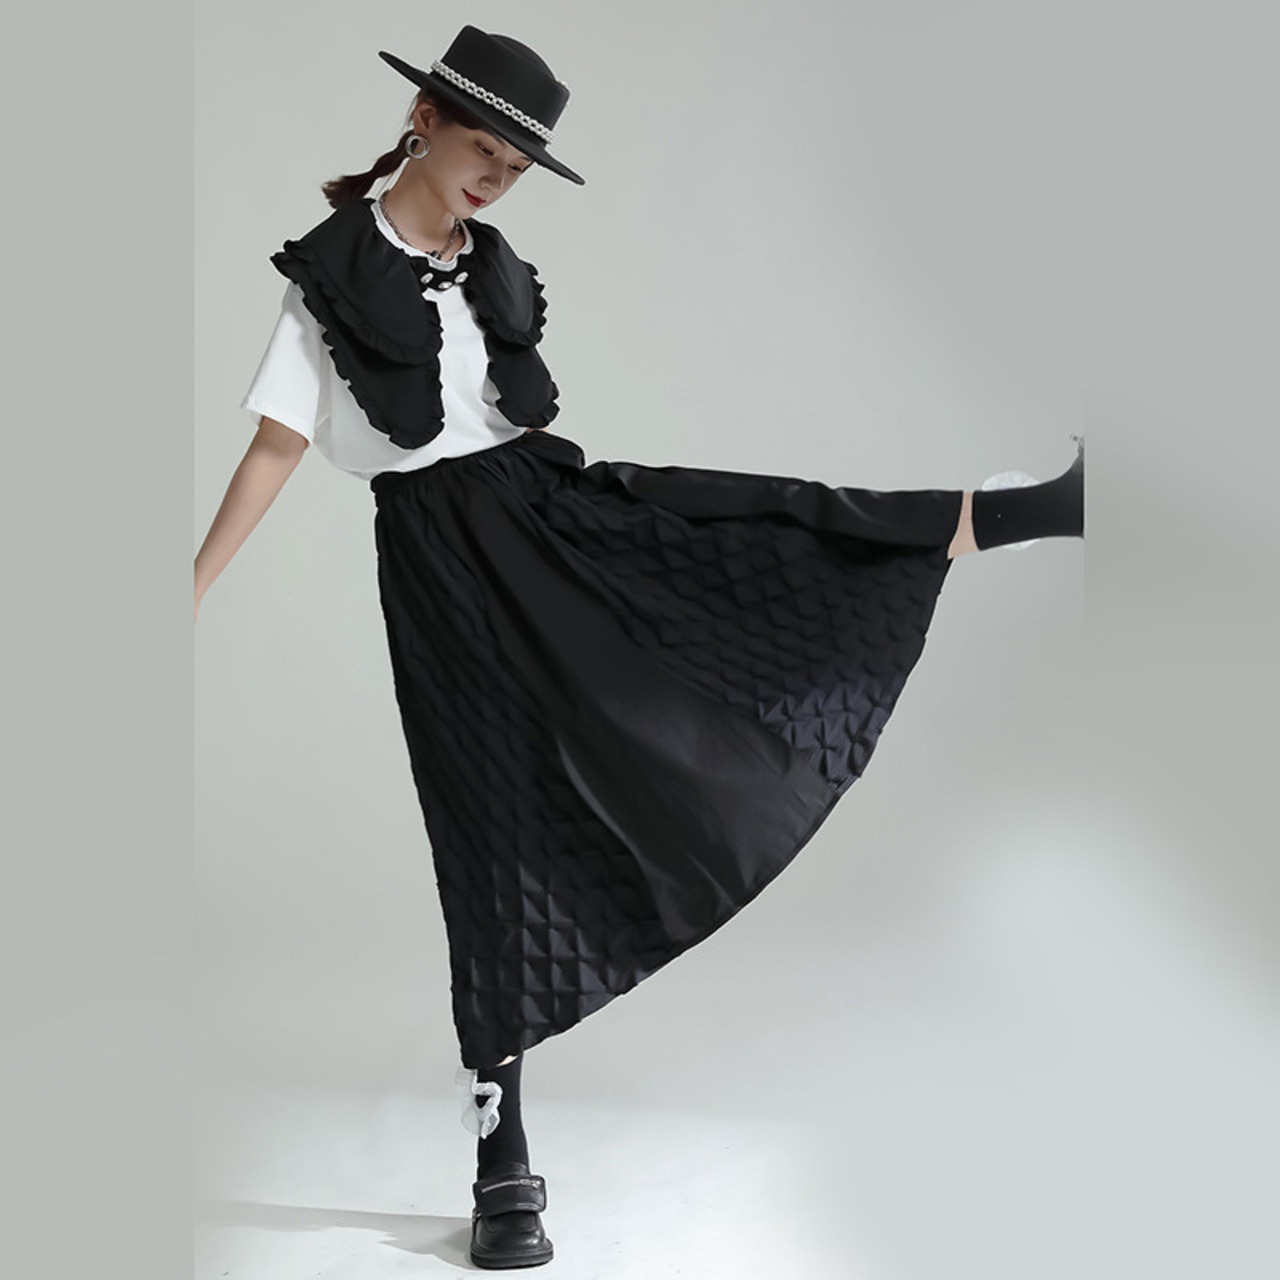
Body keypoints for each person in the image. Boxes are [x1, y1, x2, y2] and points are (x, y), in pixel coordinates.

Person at [193, 24, 1085, 1271]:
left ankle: (1012, 511)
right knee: (491, 831)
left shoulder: (492, 266)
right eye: (483, 150)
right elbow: (276, 447)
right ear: (424, 123)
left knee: (753, 520)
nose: (495, 180)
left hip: (547, 513)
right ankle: (501, 1154)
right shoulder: (330, 273)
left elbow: (506, 420)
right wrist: (186, 590)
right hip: (443, 571)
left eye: (515, 167)